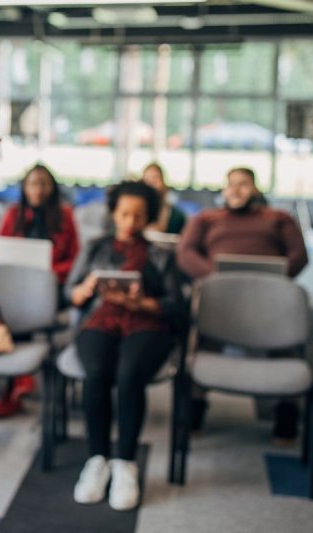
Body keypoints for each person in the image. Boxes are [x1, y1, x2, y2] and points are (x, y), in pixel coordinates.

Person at [67, 181, 184, 510]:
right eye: (124, 214)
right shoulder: (94, 247)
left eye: (138, 216)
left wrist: (142, 303)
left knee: (130, 374)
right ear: (114, 214)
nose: (130, 222)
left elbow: (176, 304)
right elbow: (70, 294)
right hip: (100, 319)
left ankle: (126, 463)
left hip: (146, 323)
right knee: (96, 372)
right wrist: (86, 289)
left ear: (148, 218)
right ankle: (97, 458)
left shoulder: (161, 254)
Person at [176, 166, 309, 443]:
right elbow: (185, 252)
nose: (236, 190)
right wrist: (213, 278)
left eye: (243, 184)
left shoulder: (278, 218)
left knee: (285, 342)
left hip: (269, 298)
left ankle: (287, 408)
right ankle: (196, 404)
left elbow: (299, 255)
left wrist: (277, 279)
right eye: (231, 184)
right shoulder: (207, 219)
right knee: (205, 339)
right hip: (220, 297)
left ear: (256, 189)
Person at [0, 164, 80, 418]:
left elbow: (75, 260)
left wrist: (46, 271)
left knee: (22, 309)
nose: (38, 190)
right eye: (33, 184)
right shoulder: (13, 215)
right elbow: (1, 252)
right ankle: (18, 381)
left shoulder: (65, 216)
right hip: (15, 287)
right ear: (24, 188)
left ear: (52, 188)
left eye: (43, 184)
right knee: (7, 307)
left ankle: (18, 383)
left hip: (52, 287)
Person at [141, 162, 186, 234]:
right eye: (147, 180)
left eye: (155, 178)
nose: (151, 183)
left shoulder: (176, 216)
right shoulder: (139, 210)